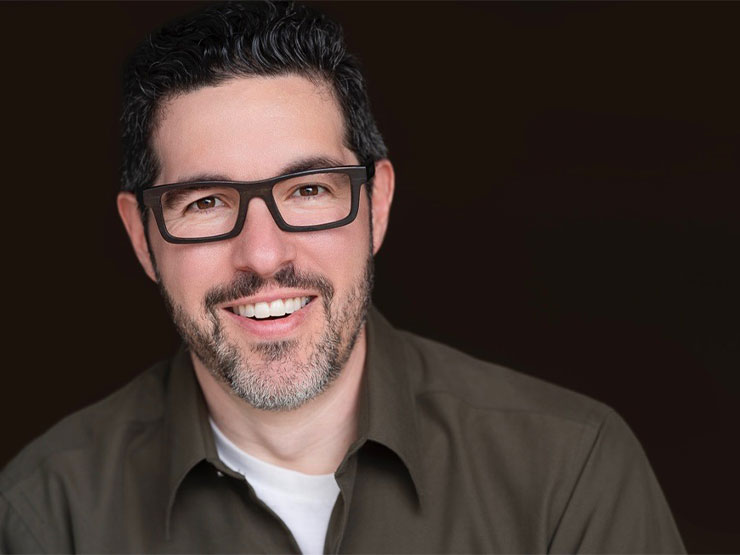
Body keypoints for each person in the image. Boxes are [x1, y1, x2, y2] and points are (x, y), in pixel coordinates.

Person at [0, 2, 685, 553]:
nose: (263, 256)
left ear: (376, 204)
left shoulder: (569, 475)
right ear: (141, 236)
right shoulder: (45, 517)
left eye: (308, 190)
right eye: (206, 203)